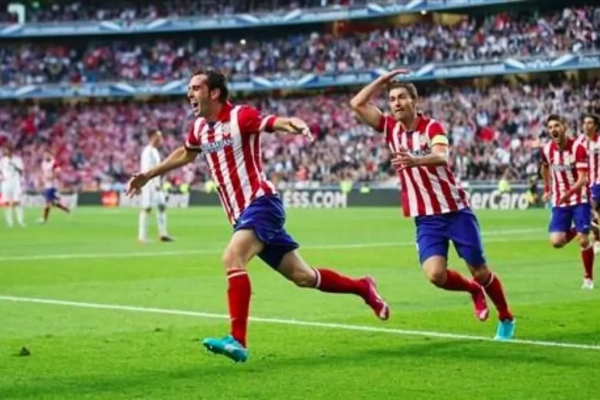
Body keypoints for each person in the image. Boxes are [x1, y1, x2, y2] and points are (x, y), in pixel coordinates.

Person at [125, 69, 390, 363]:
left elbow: (274, 122)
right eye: (189, 88)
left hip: (262, 203)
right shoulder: (199, 127)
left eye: (196, 88)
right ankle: (363, 287)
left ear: (214, 92)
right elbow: (186, 153)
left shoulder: (241, 116)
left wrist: (293, 123)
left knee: (232, 257)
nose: (189, 93)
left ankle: (237, 340)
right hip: (242, 216)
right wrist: (149, 174)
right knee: (304, 277)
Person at [349, 69, 515, 340]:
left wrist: (416, 160)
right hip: (426, 217)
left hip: (455, 211)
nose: (396, 103)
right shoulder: (390, 129)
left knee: (481, 272)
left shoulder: (431, 127)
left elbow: (442, 156)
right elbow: (356, 104)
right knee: (435, 275)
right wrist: (382, 81)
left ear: (414, 101)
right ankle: (473, 290)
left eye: (402, 97)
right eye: (392, 99)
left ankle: (506, 316)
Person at [541, 114, 594, 289]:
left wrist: (569, 193)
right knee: (556, 242)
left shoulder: (578, 148)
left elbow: (583, 179)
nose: (553, 130)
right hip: (560, 201)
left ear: (564, 127)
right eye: (550, 127)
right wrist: (547, 189)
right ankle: (585, 225)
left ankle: (588, 278)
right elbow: (545, 167)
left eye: (556, 126)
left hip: (580, 198)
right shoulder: (547, 149)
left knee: (583, 240)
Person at [139, 130, 173, 243]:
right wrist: (152, 183)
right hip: (148, 184)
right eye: (159, 137)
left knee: (162, 206)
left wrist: (159, 183)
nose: (161, 139)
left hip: (157, 184)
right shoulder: (147, 152)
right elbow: (147, 170)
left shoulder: (155, 151)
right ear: (153, 137)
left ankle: (163, 234)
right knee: (147, 208)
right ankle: (142, 237)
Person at [581, 114, 600, 254]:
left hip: (598, 181)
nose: (586, 126)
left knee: (589, 207)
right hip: (585, 182)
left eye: (589, 123)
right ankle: (598, 238)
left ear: (596, 125)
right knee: (597, 213)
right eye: (584, 123)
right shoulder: (580, 142)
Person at [38, 151, 70, 224]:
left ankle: (44, 219)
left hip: (53, 185)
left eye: (47, 155)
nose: (45, 156)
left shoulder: (54, 163)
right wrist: (42, 180)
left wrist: (51, 177)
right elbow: (44, 173)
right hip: (47, 185)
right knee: (53, 203)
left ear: (50, 155)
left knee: (48, 203)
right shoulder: (43, 163)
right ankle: (66, 209)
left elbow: (58, 173)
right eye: (44, 155)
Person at [0, 145, 25, 227]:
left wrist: (15, 166)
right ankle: (9, 222)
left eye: (9, 151)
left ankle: (20, 221)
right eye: (6, 151)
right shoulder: (2, 161)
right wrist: (1, 177)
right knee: (6, 202)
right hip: (6, 183)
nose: (7, 152)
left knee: (17, 202)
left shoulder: (18, 160)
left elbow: (21, 171)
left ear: (12, 151)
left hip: (15, 183)